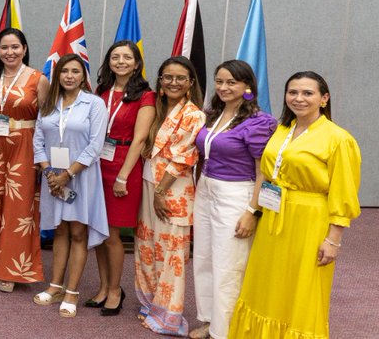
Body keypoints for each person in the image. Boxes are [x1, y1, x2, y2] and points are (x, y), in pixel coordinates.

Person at [229, 72, 361, 339]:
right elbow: (266, 172)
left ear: (324, 99)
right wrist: (254, 211)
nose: (298, 98)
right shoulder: (283, 130)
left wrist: (333, 240)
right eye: (293, 92)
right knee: (266, 285)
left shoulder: (338, 138)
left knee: (301, 289)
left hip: (309, 221)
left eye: (307, 93)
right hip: (273, 218)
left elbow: (344, 191)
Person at [188, 60, 276, 338]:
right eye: (219, 81)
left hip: (237, 193)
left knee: (229, 264)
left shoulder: (259, 121)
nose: (224, 87)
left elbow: (263, 171)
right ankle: (208, 320)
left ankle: (224, 331)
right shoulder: (212, 115)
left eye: (231, 82)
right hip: (206, 189)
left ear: (247, 86)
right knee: (203, 257)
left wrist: (253, 210)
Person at [31, 53, 110, 316]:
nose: (69, 76)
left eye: (75, 71)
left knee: (78, 232)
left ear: (83, 76)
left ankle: (72, 291)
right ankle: (55, 286)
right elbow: (38, 141)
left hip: (81, 176)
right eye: (65, 71)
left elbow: (95, 145)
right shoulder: (49, 104)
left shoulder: (94, 104)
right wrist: (49, 172)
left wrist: (68, 174)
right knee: (60, 231)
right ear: (58, 75)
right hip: (53, 178)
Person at [0, 28, 49, 292]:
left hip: (24, 146)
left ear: (24, 49)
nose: (10, 52)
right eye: (4, 48)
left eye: (15, 47)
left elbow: (46, 122)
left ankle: (9, 270)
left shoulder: (38, 79)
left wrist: (42, 156)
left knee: (18, 208)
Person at [136, 56, 205, 335]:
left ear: (190, 83)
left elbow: (182, 159)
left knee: (171, 253)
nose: (173, 82)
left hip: (172, 190)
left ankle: (169, 316)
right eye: (168, 77)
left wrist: (161, 192)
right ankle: (152, 302)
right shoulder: (156, 109)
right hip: (149, 183)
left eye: (180, 78)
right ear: (160, 82)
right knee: (148, 246)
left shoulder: (194, 114)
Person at [89, 41, 156, 316]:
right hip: (97, 163)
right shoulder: (102, 91)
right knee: (99, 231)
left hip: (123, 164)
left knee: (114, 233)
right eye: (115, 57)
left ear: (137, 63)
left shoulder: (146, 95)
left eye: (127, 57)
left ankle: (116, 290)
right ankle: (104, 287)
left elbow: (140, 138)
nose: (120, 61)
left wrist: (124, 177)